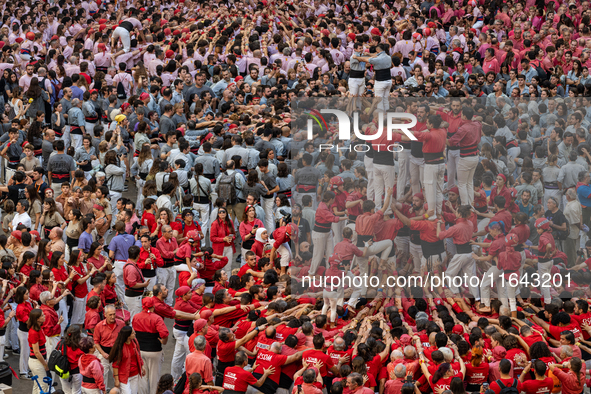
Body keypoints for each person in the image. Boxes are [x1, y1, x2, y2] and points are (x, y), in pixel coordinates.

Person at [132, 297, 169, 394]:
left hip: (140, 351)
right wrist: (163, 342)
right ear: (153, 306)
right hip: (154, 351)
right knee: (154, 379)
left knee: (143, 378)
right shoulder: (157, 318)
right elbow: (164, 334)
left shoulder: (136, 317)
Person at [108, 326, 145, 394]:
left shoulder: (134, 341)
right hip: (124, 377)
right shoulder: (120, 347)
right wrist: (116, 380)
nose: (135, 333)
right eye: (133, 333)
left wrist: (142, 365)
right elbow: (115, 365)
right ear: (128, 336)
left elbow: (138, 354)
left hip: (135, 374)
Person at [123, 246, 150, 321]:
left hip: (134, 296)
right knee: (135, 318)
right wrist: (144, 284)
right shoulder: (131, 268)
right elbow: (132, 284)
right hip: (134, 296)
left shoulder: (130, 264)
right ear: (138, 255)